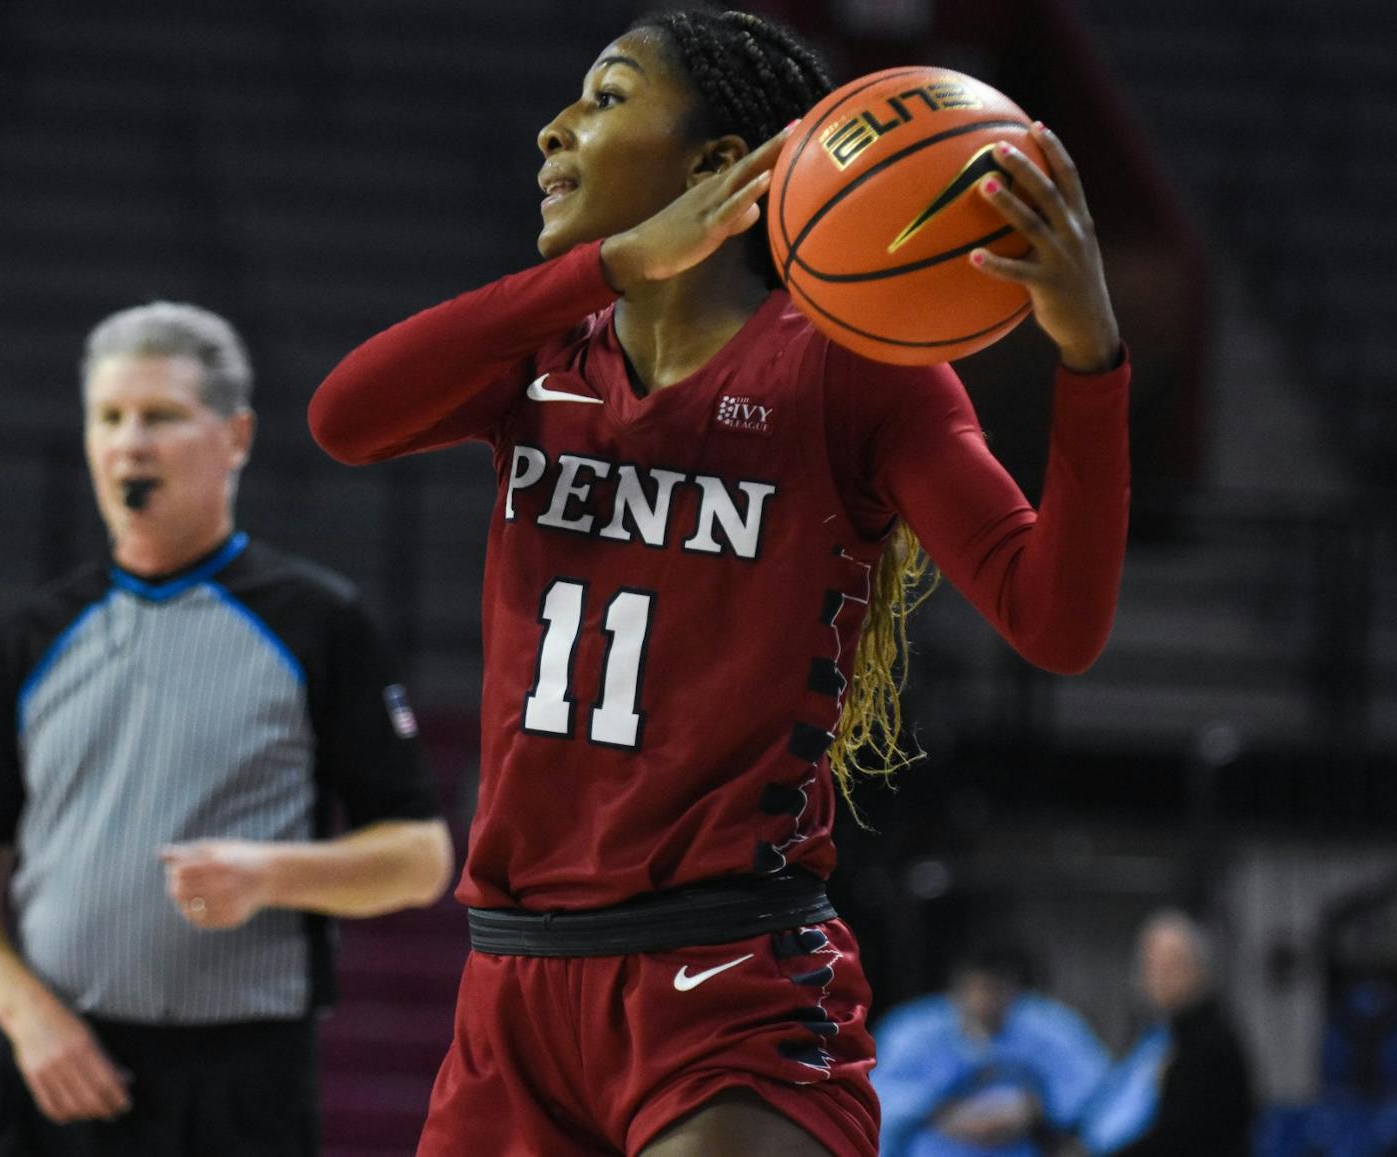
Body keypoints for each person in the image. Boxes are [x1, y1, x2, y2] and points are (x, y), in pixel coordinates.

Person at [309, 8, 1128, 1154]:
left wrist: (1089, 359)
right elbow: (342, 417)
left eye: (604, 98)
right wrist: (602, 268)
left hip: (724, 977)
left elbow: (1054, 621)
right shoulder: (539, 351)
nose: (553, 129)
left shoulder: (855, 371)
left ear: (713, 165)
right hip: (511, 986)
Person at [0, 302, 454, 1157]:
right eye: (109, 417)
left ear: (236, 436)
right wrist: (28, 1014)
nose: (130, 444)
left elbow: (420, 857)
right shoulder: (36, 634)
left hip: (239, 1083)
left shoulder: (320, 623)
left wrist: (269, 874)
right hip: (52, 1068)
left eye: (161, 416)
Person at [871, 939, 1111, 1157]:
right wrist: (941, 1111)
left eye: (998, 989)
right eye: (978, 987)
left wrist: (1035, 1108)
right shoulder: (912, 1029)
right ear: (958, 986)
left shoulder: (1049, 1027)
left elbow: (1096, 1092)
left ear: (1015, 988)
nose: (986, 1001)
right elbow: (879, 1097)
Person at [1076, 910, 1254, 1156]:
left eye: (1170, 966)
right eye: (1150, 966)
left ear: (1197, 970)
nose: (1156, 978)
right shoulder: (1158, 1037)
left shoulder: (1210, 1043)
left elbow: (1182, 1134)